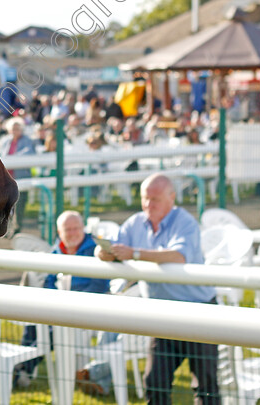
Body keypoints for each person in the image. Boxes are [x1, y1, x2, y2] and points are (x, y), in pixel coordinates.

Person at [97, 173, 219, 404]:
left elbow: (178, 256)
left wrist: (134, 253)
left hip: (199, 312)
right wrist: (104, 252)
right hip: (163, 314)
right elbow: (111, 247)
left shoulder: (185, 222)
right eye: (145, 198)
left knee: (206, 385)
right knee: (155, 381)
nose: (148, 204)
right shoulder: (135, 222)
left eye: (155, 199)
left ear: (172, 198)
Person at [15, 211, 110, 388]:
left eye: (76, 228)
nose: (72, 233)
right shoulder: (57, 249)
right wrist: (55, 300)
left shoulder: (95, 250)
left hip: (86, 308)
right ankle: (21, 369)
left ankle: (18, 369)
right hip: (59, 305)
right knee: (32, 324)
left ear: (83, 229)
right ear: (60, 232)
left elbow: (100, 285)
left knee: (50, 332)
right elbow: (48, 282)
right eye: (68, 230)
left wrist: (75, 301)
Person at [0, 117, 35, 231]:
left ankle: (18, 226)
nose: (15, 130)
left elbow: (29, 153)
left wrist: (11, 159)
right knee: (6, 204)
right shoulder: (6, 141)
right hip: (7, 178)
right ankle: (7, 226)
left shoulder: (27, 140)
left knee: (19, 204)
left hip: (21, 177)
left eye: (17, 128)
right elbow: (0, 154)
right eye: (13, 128)